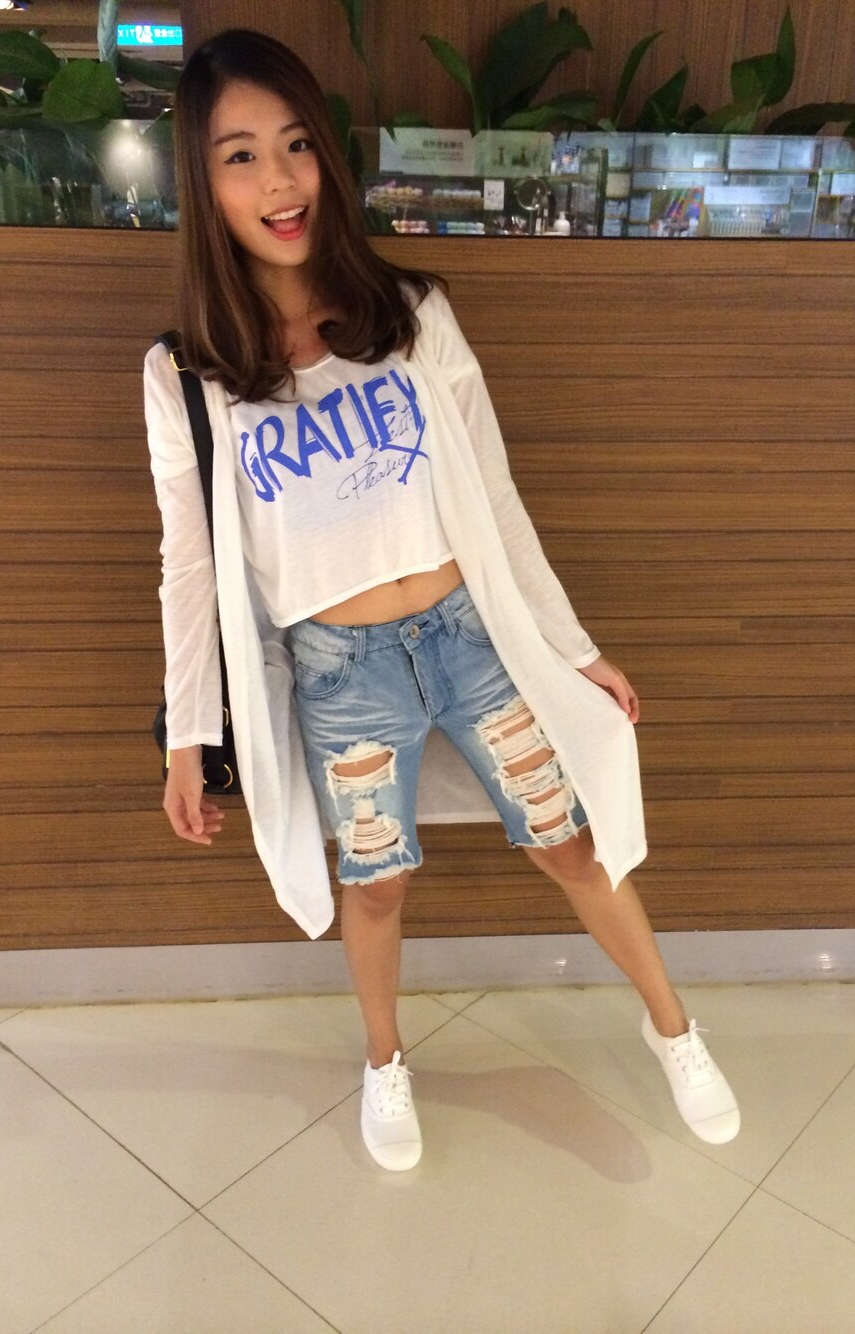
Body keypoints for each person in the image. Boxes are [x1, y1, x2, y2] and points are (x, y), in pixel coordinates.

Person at [144, 28, 740, 1171]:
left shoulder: (411, 314)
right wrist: (187, 735)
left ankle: (673, 1028)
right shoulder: (187, 372)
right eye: (240, 156)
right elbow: (189, 565)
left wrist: (572, 647)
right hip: (340, 669)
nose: (279, 181)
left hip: (470, 639)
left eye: (296, 145)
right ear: (202, 184)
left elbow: (495, 495)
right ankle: (384, 1060)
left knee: (571, 843)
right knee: (376, 882)